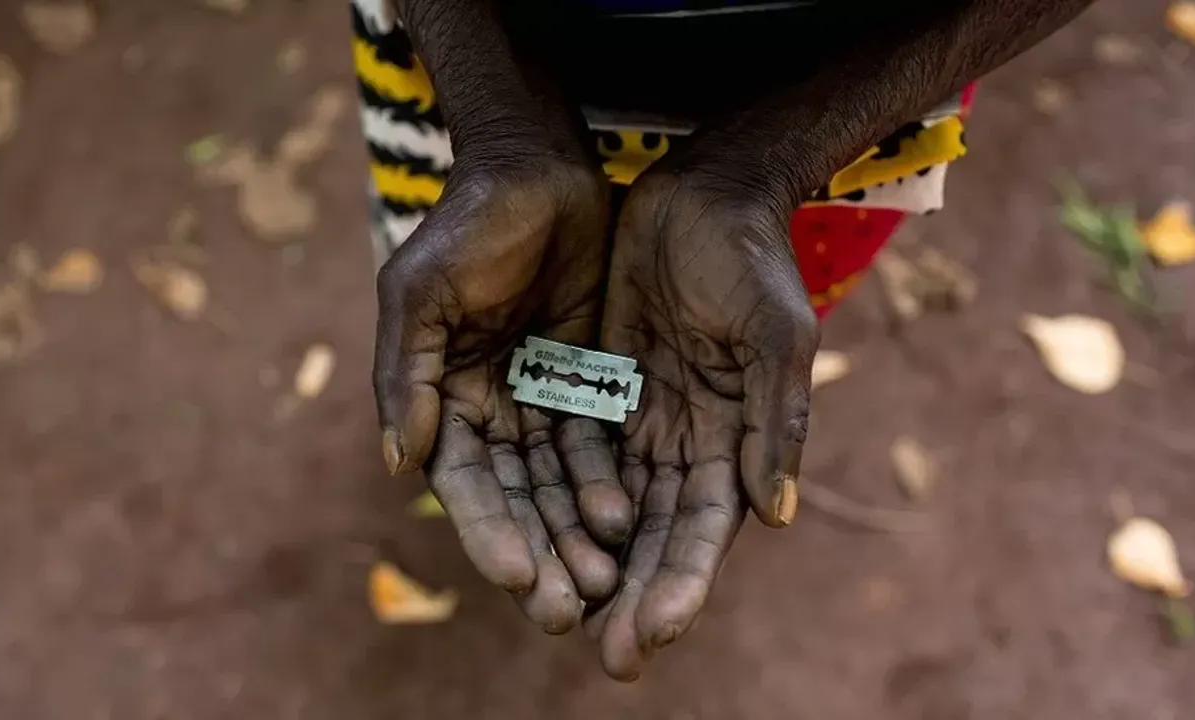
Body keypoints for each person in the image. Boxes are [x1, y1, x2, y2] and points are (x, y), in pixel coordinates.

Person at [354, 0, 1093, 681]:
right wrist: (500, 122)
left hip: (846, 122)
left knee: (753, 318)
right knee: (468, 278)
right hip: (464, 78)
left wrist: (767, 165)